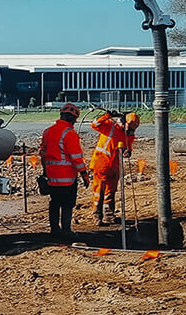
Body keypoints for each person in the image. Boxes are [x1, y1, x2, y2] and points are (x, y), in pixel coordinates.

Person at [40, 102, 89, 239]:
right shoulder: (70, 133)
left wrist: (46, 171)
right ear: (73, 119)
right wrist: (84, 174)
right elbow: (76, 158)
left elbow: (43, 154)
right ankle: (66, 231)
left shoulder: (48, 131)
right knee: (67, 204)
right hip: (67, 178)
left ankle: (54, 230)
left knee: (54, 203)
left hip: (52, 176)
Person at [89, 110, 140, 223]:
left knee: (111, 191)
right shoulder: (110, 126)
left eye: (132, 129)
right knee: (99, 191)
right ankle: (97, 215)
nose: (130, 130)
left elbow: (129, 146)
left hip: (115, 166)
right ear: (123, 121)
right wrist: (107, 116)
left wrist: (128, 152)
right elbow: (94, 124)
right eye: (129, 127)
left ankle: (109, 215)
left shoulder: (129, 134)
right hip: (102, 163)